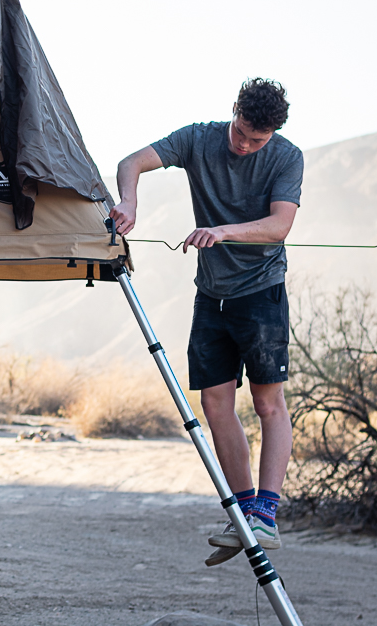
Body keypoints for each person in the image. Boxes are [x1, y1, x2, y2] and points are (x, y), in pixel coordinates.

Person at [109, 78, 303, 566]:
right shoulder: (199, 138)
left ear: (272, 135)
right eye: (240, 132)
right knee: (216, 403)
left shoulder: (286, 156)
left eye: (256, 140)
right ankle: (244, 514)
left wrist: (222, 231)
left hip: (262, 293)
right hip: (211, 295)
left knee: (267, 402)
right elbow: (130, 162)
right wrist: (130, 202)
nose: (243, 144)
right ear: (233, 112)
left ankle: (268, 511)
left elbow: (280, 224)